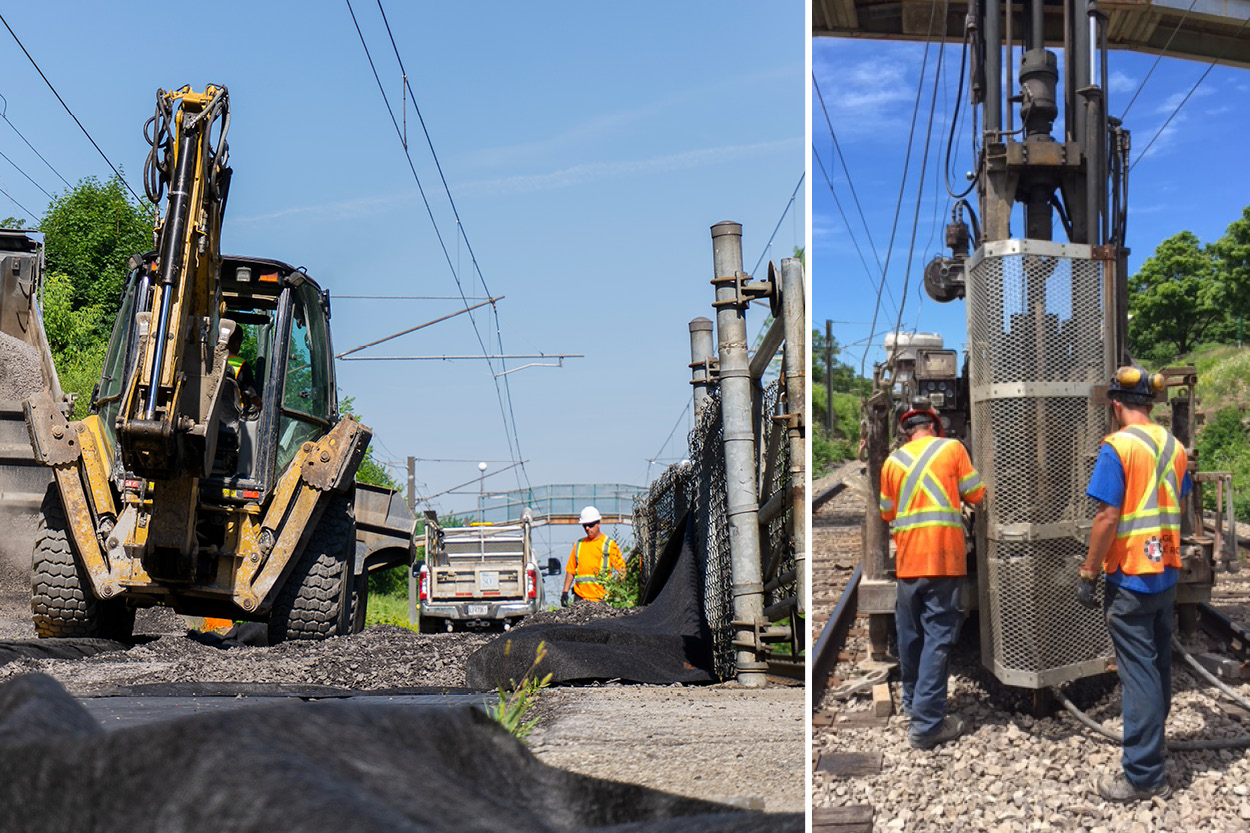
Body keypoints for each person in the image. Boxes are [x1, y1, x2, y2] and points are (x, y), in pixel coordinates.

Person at [1079, 364, 1190, 803]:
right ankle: (1152, 746)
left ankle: (1143, 774)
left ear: (1115, 404)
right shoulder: (1174, 446)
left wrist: (1089, 572)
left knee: (1138, 672)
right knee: (1158, 663)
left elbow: (1107, 517)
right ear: (1151, 403)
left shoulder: (1117, 447)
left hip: (1130, 575)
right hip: (1165, 570)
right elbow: (1174, 500)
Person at [878, 402, 984, 750]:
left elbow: (887, 512)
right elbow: (975, 494)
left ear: (906, 433)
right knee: (938, 639)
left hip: (909, 563)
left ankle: (913, 703)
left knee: (910, 637)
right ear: (936, 428)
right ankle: (926, 725)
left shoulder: (892, 462)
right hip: (944, 560)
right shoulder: (953, 448)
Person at [561, 506, 625, 606]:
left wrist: (620, 591)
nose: (587, 528)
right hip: (580, 597)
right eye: (585, 525)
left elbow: (621, 570)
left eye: (590, 525)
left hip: (602, 598)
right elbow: (571, 570)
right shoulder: (579, 544)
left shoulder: (609, 544)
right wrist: (565, 592)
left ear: (598, 524)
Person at [225, 324, 262, 417]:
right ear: (237, 342)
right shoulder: (241, 365)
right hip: (233, 420)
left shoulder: (209, 358)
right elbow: (252, 400)